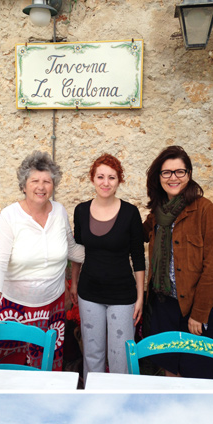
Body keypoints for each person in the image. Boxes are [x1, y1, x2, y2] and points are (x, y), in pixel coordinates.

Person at [0, 151, 85, 369]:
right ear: (24, 185)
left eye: (47, 181)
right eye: (34, 180)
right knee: (12, 371)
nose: (41, 186)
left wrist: (109, 251)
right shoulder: (10, 216)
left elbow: (72, 250)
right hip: (15, 309)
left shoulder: (59, 212)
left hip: (52, 308)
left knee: (46, 368)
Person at [143, 145, 213, 378]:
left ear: (189, 175)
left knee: (197, 371)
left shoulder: (204, 210)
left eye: (180, 171)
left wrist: (199, 314)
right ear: (158, 177)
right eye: (166, 172)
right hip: (165, 302)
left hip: (198, 304)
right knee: (170, 366)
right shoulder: (157, 213)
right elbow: (135, 234)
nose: (173, 178)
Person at [71, 154, 145, 381]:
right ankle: (93, 398)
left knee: (119, 357)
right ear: (92, 179)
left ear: (119, 180)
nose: (106, 182)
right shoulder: (81, 211)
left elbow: (138, 257)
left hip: (122, 295)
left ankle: (118, 402)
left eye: (111, 177)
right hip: (89, 292)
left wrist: (140, 296)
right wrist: (74, 283)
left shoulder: (130, 213)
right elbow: (77, 251)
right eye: (100, 176)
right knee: (92, 354)